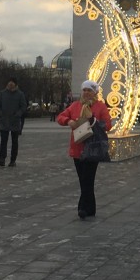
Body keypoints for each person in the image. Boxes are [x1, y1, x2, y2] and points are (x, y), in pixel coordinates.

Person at [58, 80, 112, 218]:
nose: (87, 93)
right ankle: (90, 209)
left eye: (90, 90)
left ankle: (83, 208)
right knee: (83, 179)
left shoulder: (100, 107)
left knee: (88, 178)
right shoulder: (75, 105)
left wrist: (92, 119)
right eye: (85, 90)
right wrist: (68, 121)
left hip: (92, 148)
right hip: (77, 147)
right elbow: (61, 117)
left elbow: (107, 125)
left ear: (95, 93)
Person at [0, 77, 27, 167]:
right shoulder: (2, 94)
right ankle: (2, 159)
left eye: (12, 83)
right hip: (4, 121)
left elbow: (23, 106)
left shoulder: (20, 94)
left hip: (15, 121)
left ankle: (13, 160)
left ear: (15, 84)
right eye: (9, 83)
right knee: (3, 141)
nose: (10, 85)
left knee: (14, 142)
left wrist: (18, 114)